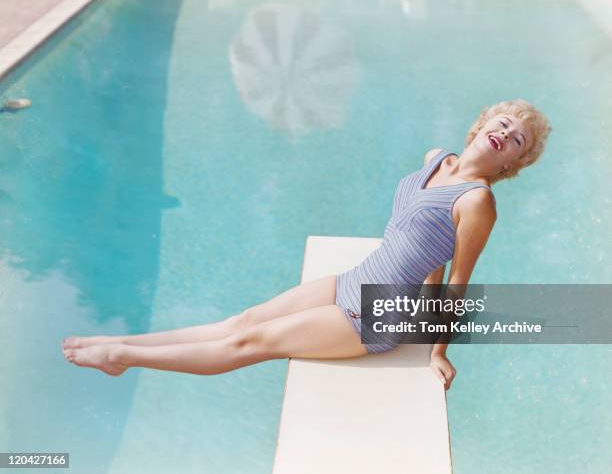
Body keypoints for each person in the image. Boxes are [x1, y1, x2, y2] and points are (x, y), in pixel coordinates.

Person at [62, 99, 551, 390]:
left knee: (251, 343)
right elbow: (431, 260)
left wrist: (436, 351)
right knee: (245, 319)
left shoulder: (478, 202)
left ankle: (121, 356)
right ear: (482, 123)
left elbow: (457, 281)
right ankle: (120, 347)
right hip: (355, 280)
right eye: (504, 123)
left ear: (513, 165)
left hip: (376, 315)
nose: (506, 134)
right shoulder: (436, 158)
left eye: (517, 141)